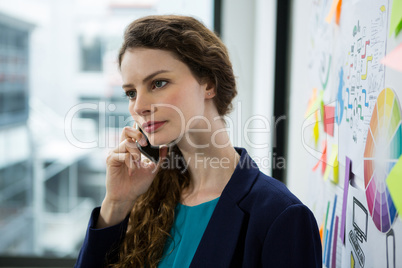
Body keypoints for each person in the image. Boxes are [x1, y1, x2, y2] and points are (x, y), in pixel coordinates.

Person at [75, 15, 322, 268]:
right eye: (131, 93)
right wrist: (116, 203)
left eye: (158, 83)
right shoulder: (145, 198)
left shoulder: (280, 216)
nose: (139, 106)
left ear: (209, 84)